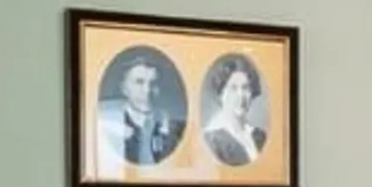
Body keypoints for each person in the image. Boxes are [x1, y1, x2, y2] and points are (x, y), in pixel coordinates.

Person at [94, 47, 185, 175]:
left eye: (153, 83)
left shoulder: (173, 129)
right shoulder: (109, 128)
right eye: (139, 82)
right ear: (124, 88)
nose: (147, 90)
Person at [198, 53, 270, 169]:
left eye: (246, 88)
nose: (241, 95)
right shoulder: (212, 140)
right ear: (221, 94)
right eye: (233, 88)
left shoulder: (260, 136)